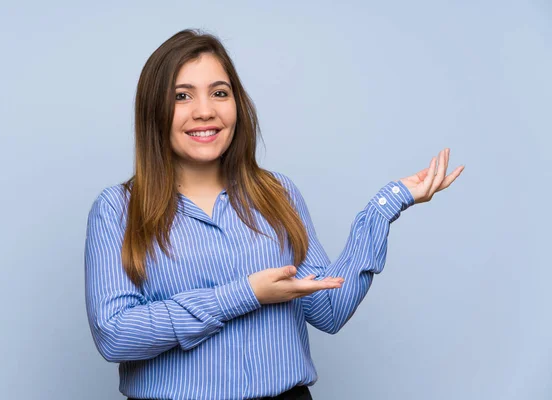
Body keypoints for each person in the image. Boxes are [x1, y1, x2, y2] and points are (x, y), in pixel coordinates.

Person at [84, 29, 464, 400]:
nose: (205, 111)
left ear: (237, 105)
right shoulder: (116, 210)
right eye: (182, 96)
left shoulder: (276, 193)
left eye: (220, 93)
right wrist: (245, 294)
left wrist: (386, 206)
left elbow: (328, 309)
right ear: (154, 111)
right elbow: (115, 335)